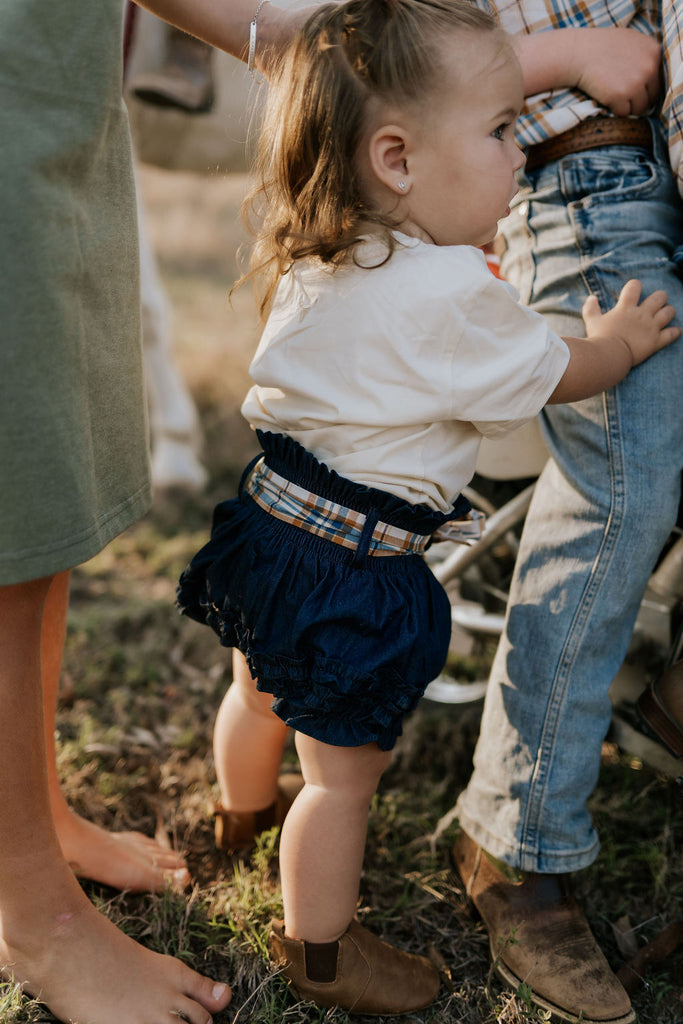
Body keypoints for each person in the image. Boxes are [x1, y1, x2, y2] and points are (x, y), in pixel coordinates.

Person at [175, 0, 678, 1014]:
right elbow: (556, 372)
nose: (513, 156)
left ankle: (233, 817)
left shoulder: (324, 247)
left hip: (269, 529)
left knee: (261, 693)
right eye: (498, 132)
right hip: (354, 573)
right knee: (341, 782)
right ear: (397, 160)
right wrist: (619, 346)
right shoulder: (453, 294)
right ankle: (319, 950)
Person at [0, 1, 306, 1022]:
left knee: (44, 490)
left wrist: (271, 32)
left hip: (59, 76)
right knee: (7, 516)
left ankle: (35, 816)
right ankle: (31, 912)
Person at [452, 0, 683, 1021]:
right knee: (614, 493)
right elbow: (399, 49)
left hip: (646, 177)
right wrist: (565, 55)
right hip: (587, 183)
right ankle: (514, 839)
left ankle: (665, 692)